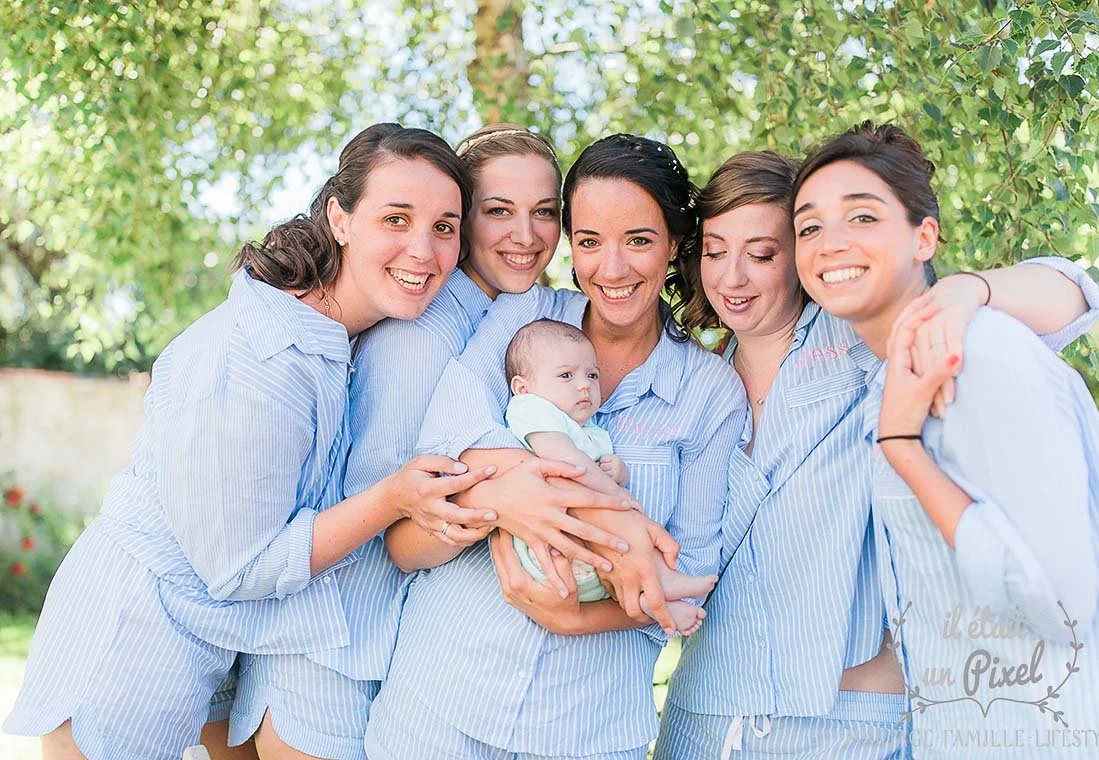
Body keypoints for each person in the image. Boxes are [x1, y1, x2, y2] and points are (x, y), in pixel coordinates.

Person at [3, 123, 493, 760]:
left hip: (212, 638)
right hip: (134, 630)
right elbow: (243, 566)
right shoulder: (265, 360)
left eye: (445, 228)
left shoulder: (332, 338)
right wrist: (396, 498)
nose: (423, 251)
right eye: (395, 219)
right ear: (339, 219)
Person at [656, 149, 1099, 758]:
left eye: (762, 253)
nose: (732, 277)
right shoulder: (694, 383)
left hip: (847, 725)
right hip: (702, 717)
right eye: (714, 252)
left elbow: (1073, 294)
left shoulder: (859, 339)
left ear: (799, 257)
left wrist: (963, 292)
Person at [232, 124, 631, 760]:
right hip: (329, 642)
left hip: (393, 645)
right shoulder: (421, 334)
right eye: (497, 211)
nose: (525, 236)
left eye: (544, 213)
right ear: (462, 218)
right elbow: (378, 491)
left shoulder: (508, 316)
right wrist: (507, 492)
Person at [364, 134, 750, 759]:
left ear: (676, 244)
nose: (613, 268)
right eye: (591, 241)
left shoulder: (708, 393)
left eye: (640, 240)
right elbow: (430, 494)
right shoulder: (521, 319)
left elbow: (689, 577)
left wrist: (573, 616)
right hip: (439, 702)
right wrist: (539, 500)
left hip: (586, 729)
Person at [792, 121, 1099, 757]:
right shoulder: (876, 373)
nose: (829, 244)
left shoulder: (978, 352)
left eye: (862, 218)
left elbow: (1058, 601)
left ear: (925, 236)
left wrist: (901, 448)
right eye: (808, 228)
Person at [504, 317, 717, 635]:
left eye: (592, 375)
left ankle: (653, 599)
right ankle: (659, 585)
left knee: (621, 549)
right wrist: (618, 496)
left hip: (589, 562)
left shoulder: (591, 431)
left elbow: (599, 469)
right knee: (622, 527)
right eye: (566, 375)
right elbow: (566, 461)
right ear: (523, 387)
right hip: (548, 550)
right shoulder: (530, 408)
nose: (584, 385)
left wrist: (619, 472)